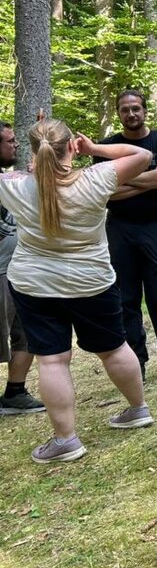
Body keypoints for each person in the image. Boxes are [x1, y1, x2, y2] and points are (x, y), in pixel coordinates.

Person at [0, 119, 156, 463]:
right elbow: (143, 155)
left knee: (52, 360)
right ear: (71, 146)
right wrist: (94, 149)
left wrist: (35, 167)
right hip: (91, 281)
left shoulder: (13, 186)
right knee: (114, 348)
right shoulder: (97, 178)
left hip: (35, 283)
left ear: (33, 151)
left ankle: (66, 440)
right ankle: (138, 409)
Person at [95, 91, 157, 379]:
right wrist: (148, 179)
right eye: (125, 110)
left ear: (145, 110)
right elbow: (104, 192)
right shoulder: (107, 146)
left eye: (136, 108)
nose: (131, 114)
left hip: (156, 224)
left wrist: (121, 177)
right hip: (120, 228)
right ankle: (136, 362)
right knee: (126, 298)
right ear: (118, 114)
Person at [0, 122, 45, 415]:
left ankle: (15, 393)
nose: (15, 145)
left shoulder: (9, 180)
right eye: (10, 140)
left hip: (21, 270)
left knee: (29, 331)